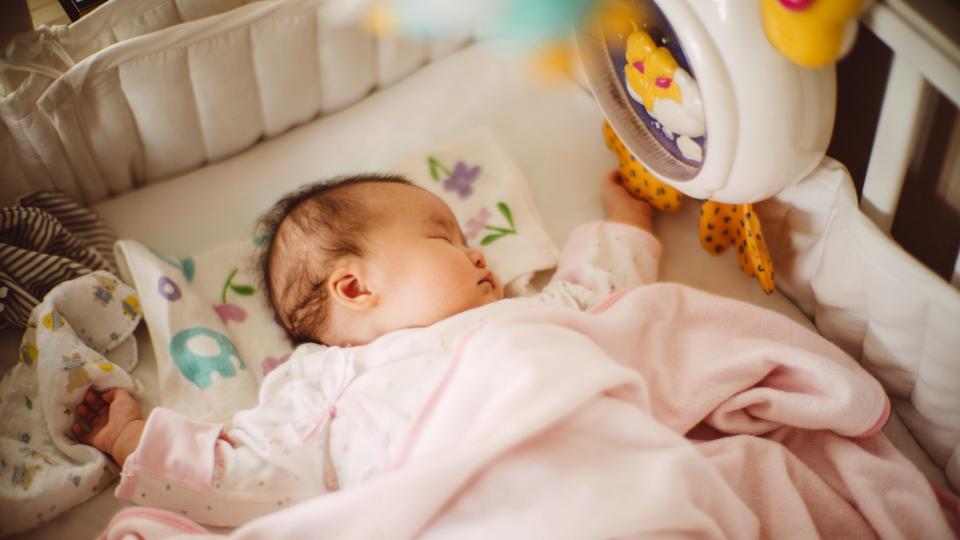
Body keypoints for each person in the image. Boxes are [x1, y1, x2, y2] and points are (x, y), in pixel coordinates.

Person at [71, 172, 660, 525]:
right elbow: (250, 469)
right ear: (355, 288)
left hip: (606, 480)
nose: (481, 256)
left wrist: (627, 217)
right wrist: (130, 440)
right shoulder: (333, 380)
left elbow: (601, 294)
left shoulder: (526, 311)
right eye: (444, 239)